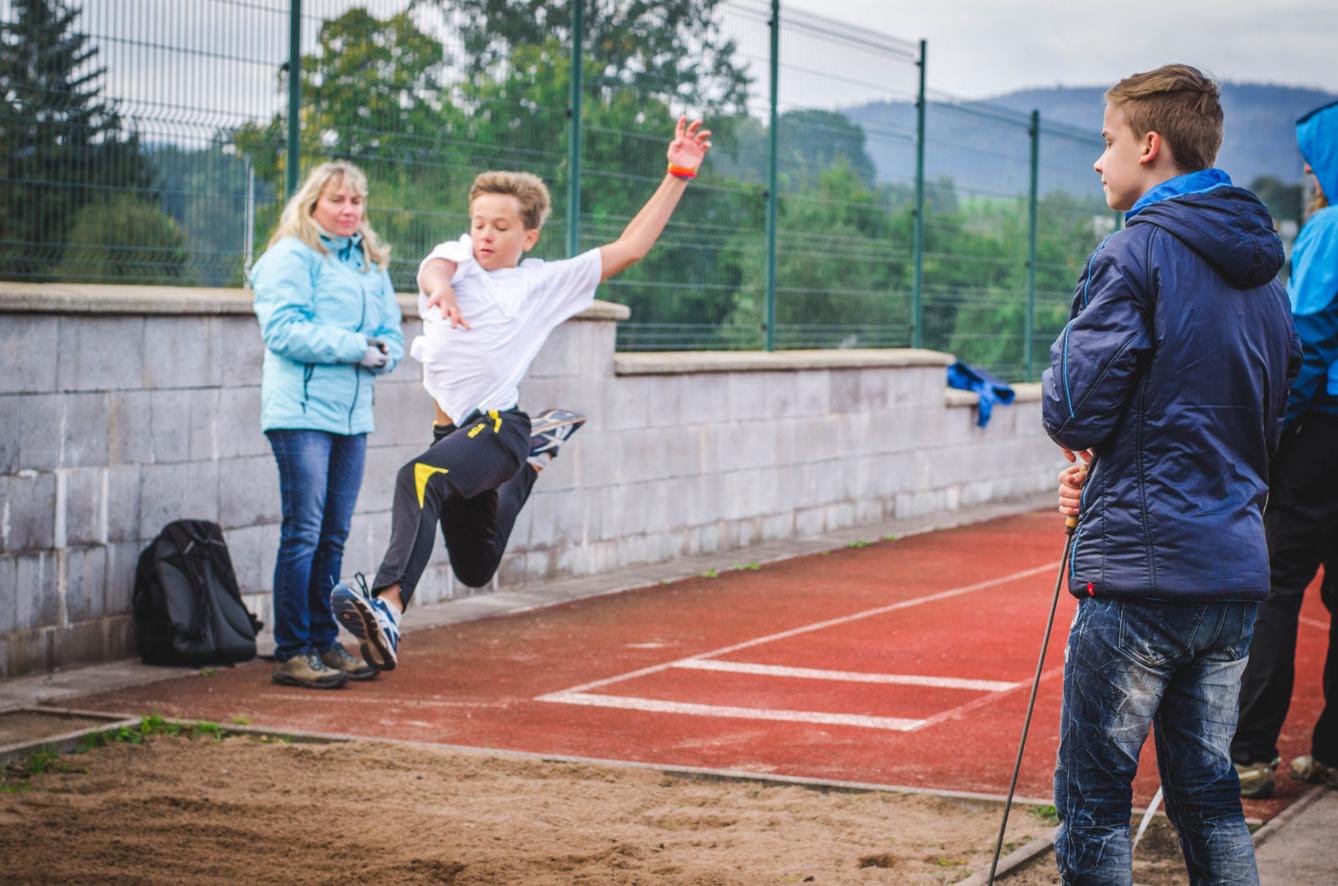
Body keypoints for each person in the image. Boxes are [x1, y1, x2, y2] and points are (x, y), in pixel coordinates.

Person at [329, 117, 712, 672]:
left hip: (496, 426)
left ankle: (388, 606)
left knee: (418, 478)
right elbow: (434, 268)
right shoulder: (456, 260)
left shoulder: (539, 283)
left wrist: (677, 174)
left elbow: (629, 248)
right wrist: (440, 292)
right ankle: (531, 463)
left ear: (527, 237)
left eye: (501, 227)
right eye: (479, 222)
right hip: (455, 433)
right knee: (474, 565)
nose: (485, 234)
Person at [1046, 65, 1296, 884]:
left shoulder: (1132, 253)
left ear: (1149, 146)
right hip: (1230, 573)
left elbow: (1074, 408)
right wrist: (1119, 467)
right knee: (1210, 794)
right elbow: (1260, 415)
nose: (1098, 161)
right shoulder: (1266, 268)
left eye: (1107, 141)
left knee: (1091, 800)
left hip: (1143, 579)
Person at [250, 161, 404, 689]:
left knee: (333, 534)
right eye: (338, 200)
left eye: (356, 202)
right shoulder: (291, 255)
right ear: (313, 203)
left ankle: (322, 641)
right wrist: (357, 348)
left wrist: (387, 354)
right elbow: (283, 330)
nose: (349, 211)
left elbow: (392, 332)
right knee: (304, 533)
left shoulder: (368, 261)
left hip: (351, 416)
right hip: (300, 414)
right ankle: (291, 651)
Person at [1232, 99, 1338, 797]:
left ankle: (1249, 753)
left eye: (1314, 156)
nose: (1306, 169)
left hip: (1323, 435)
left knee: (1273, 590)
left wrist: (1270, 435)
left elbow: (1308, 341)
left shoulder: (1329, 227)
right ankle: (1332, 751)